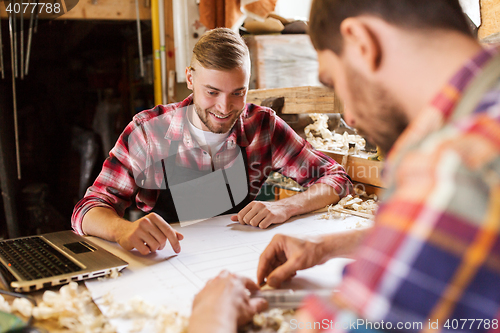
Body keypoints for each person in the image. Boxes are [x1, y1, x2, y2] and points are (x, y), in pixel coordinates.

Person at [187, 0, 500, 332]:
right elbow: (448, 236)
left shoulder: (455, 164)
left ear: (362, 43)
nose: (349, 116)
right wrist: (326, 247)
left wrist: (211, 315)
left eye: (334, 81)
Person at [71, 27, 351, 255]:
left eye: (237, 93)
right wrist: (122, 230)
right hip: (167, 259)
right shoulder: (148, 132)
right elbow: (87, 210)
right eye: (212, 92)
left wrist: (286, 206)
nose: (224, 107)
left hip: (239, 255)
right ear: (190, 78)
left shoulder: (262, 126)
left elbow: (336, 178)